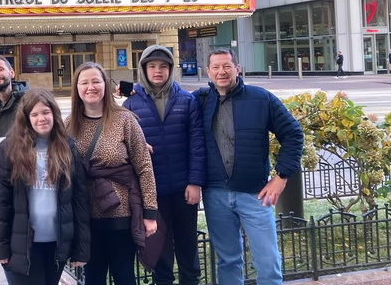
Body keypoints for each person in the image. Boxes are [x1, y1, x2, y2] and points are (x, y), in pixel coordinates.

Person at [194, 49, 303, 285]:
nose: (221, 72)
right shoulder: (200, 101)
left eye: (226, 66)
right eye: (215, 67)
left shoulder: (260, 99)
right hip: (215, 194)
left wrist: (281, 176)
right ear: (208, 72)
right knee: (228, 261)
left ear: (237, 68)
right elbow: (169, 105)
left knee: (267, 263)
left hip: (255, 194)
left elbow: (293, 134)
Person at [66, 62, 158, 285]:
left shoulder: (124, 120)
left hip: (121, 213)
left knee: (123, 274)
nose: (91, 87)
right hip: (85, 214)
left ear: (105, 85)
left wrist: (150, 213)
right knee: (93, 276)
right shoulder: (68, 125)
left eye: (96, 81)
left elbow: (144, 167)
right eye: (84, 82)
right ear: (77, 88)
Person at [0, 88, 90, 285]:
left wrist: (81, 249)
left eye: (45, 112)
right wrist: (0, 246)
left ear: (53, 113)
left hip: (56, 243)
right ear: (26, 118)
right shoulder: (9, 149)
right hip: (23, 243)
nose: (41, 118)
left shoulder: (67, 147)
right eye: (34, 114)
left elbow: (80, 200)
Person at [123, 45, 204, 285]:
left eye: (163, 66)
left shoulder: (186, 101)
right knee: (160, 249)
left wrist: (195, 182)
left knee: (187, 246)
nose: (157, 71)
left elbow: (197, 145)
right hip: (151, 193)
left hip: (183, 190)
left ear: (170, 69)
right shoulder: (130, 105)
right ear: (143, 70)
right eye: (152, 66)